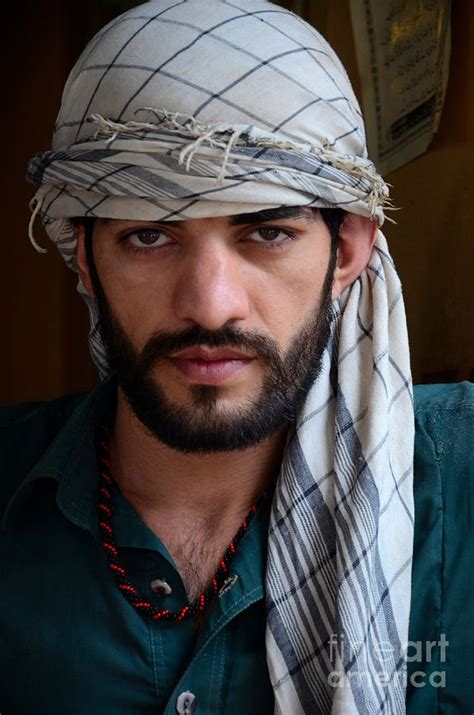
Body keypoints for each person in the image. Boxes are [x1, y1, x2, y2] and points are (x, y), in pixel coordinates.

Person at [1, 1, 472, 713]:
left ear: (347, 249)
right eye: (151, 237)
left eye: (268, 233)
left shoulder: (461, 480)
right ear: (86, 259)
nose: (212, 304)